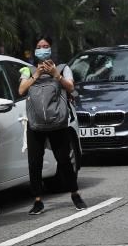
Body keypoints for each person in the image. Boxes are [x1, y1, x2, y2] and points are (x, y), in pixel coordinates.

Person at [18, 37, 85, 215]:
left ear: (51, 49)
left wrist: (56, 74)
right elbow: (21, 90)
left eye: (46, 46)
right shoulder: (28, 70)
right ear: (34, 50)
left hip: (58, 123)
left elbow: (70, 87)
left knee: (64, 160)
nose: (42, 49)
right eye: (39, 47)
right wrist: (36, 75)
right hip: (35, 124)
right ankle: (38, 200)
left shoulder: (63, 68)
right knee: (34, 163)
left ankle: (75, 194)